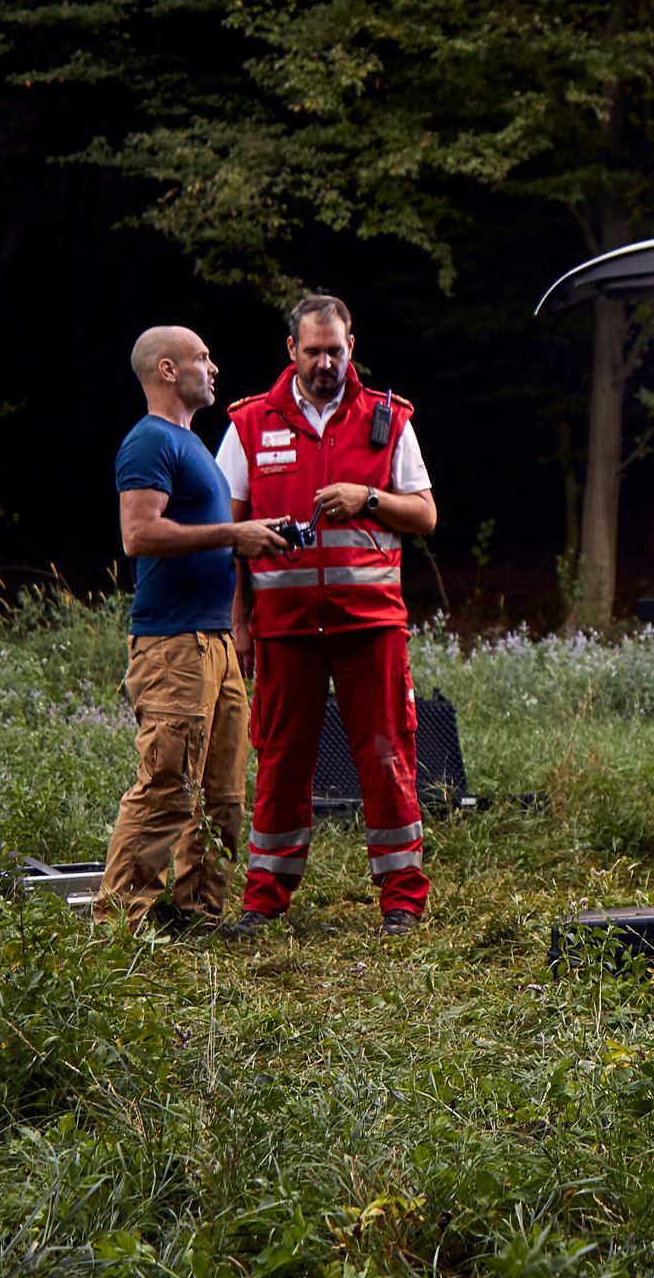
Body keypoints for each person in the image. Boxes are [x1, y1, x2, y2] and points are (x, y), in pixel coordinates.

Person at [214, 293, 441, 936]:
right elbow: (228, 534)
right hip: (284, 629)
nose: (324, 363)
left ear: (351, 347)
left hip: (370, 623)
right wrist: (240, 620)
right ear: (291, 351)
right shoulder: (249, 424)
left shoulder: (388, 419)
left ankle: (402, 899)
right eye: (312, 351)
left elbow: (424, 514)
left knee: (386, 754)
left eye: (334, 351)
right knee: (281, 759)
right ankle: (263, 901)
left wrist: (368, 498)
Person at [105, 326, 288, 927]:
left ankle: (199, 915)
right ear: (167, 371)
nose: (214, 368)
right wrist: (235, 533)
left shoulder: (192, 447)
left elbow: (203, 535)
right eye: (202, 359)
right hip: (173, 644)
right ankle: (117, 926)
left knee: (222, 796)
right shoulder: (147, 442)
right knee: (166, 787)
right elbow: (139, 534)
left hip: (214, 642)